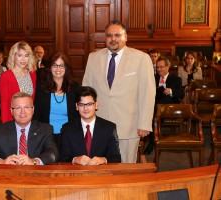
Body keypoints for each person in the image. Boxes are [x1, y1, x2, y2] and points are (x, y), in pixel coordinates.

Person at [82, 20, 155, 163]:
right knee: (99, 167)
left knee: (126, 169)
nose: (113, 39)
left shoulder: (141, 58)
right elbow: (86, 90)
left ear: (125, 37)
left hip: (128, 126)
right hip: (99, 125)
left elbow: (148, 93)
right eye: (109, 35)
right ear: (105, 38)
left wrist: (145, 123)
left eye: (117, 35)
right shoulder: (93, 58)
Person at [0, 92, 58, 165]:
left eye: (26, 107)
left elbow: (53, 153)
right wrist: (2, 162)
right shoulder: (0, 130)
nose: (22, 112)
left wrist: (34, 161)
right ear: (11, 111)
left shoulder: (45, 129)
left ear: (33, 110)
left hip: (35, 174)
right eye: (18, 108)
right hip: (8, 175)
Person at [59, 86, 121, 165]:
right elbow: (62, 158)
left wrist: (103, 160)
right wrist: (74, 160)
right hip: (76, 175)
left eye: (89, 104)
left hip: (101, 175)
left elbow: (116, 158)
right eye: (81, 104)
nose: (85, 108)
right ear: (76, 107)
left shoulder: (109, 128)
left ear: (96, 105)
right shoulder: (67, 129)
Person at [33, 51, 79, 148]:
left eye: (61, 66)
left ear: (66, 68)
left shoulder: (74, 88)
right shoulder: (41, 88)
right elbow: (37, 114)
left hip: (68, 135)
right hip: (45, 136)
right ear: (50, 67)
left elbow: (77, 115)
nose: (58, 69)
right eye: (55, 65)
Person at [144, 57, 184, 154]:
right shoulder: (153, 78)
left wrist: (170, 91)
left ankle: (152, 140)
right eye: (157, 67)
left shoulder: (176, 79)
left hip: (169, 106)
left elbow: (181, 94)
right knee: (153, 106)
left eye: (161, 67)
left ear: (168, 67)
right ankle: (153, 140)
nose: (159, 69)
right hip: (155, 105)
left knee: (159, 105)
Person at [0, 41, 37, 123]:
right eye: (20, 55)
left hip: (28, 118)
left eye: (26, 55)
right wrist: (6, 125)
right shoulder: (6, 76)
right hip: (12, 119)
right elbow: (4, 104)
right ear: (13, 57)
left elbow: (32, 100)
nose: (23, 59)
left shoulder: (32, 74)